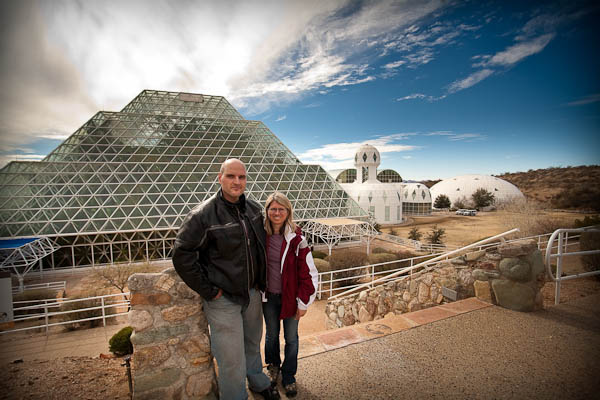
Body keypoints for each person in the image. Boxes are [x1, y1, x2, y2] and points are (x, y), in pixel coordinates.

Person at [173, 158, 280, 400]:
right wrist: (210, 291)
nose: (237, 182)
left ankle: (258, 381)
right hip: (223, 300)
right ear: (219, 177)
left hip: (251, 294)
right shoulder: (202, 215)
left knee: (252, 344)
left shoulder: (253, 210)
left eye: (241, 177)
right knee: (230, 356)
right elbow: (182, 255)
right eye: (231, 176)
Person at [262, 192, 318, 398]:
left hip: (290, 298)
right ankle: (273, 367)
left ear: (288, 212)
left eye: (281, 209)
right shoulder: (261, 236)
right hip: (269, 297)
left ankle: (289, 376)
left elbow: (309, 272)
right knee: (270, 335)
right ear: (267, 211)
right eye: (273, 209)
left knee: (292, 338)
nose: (277, 213)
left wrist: (303, 302)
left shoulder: (297, 239)